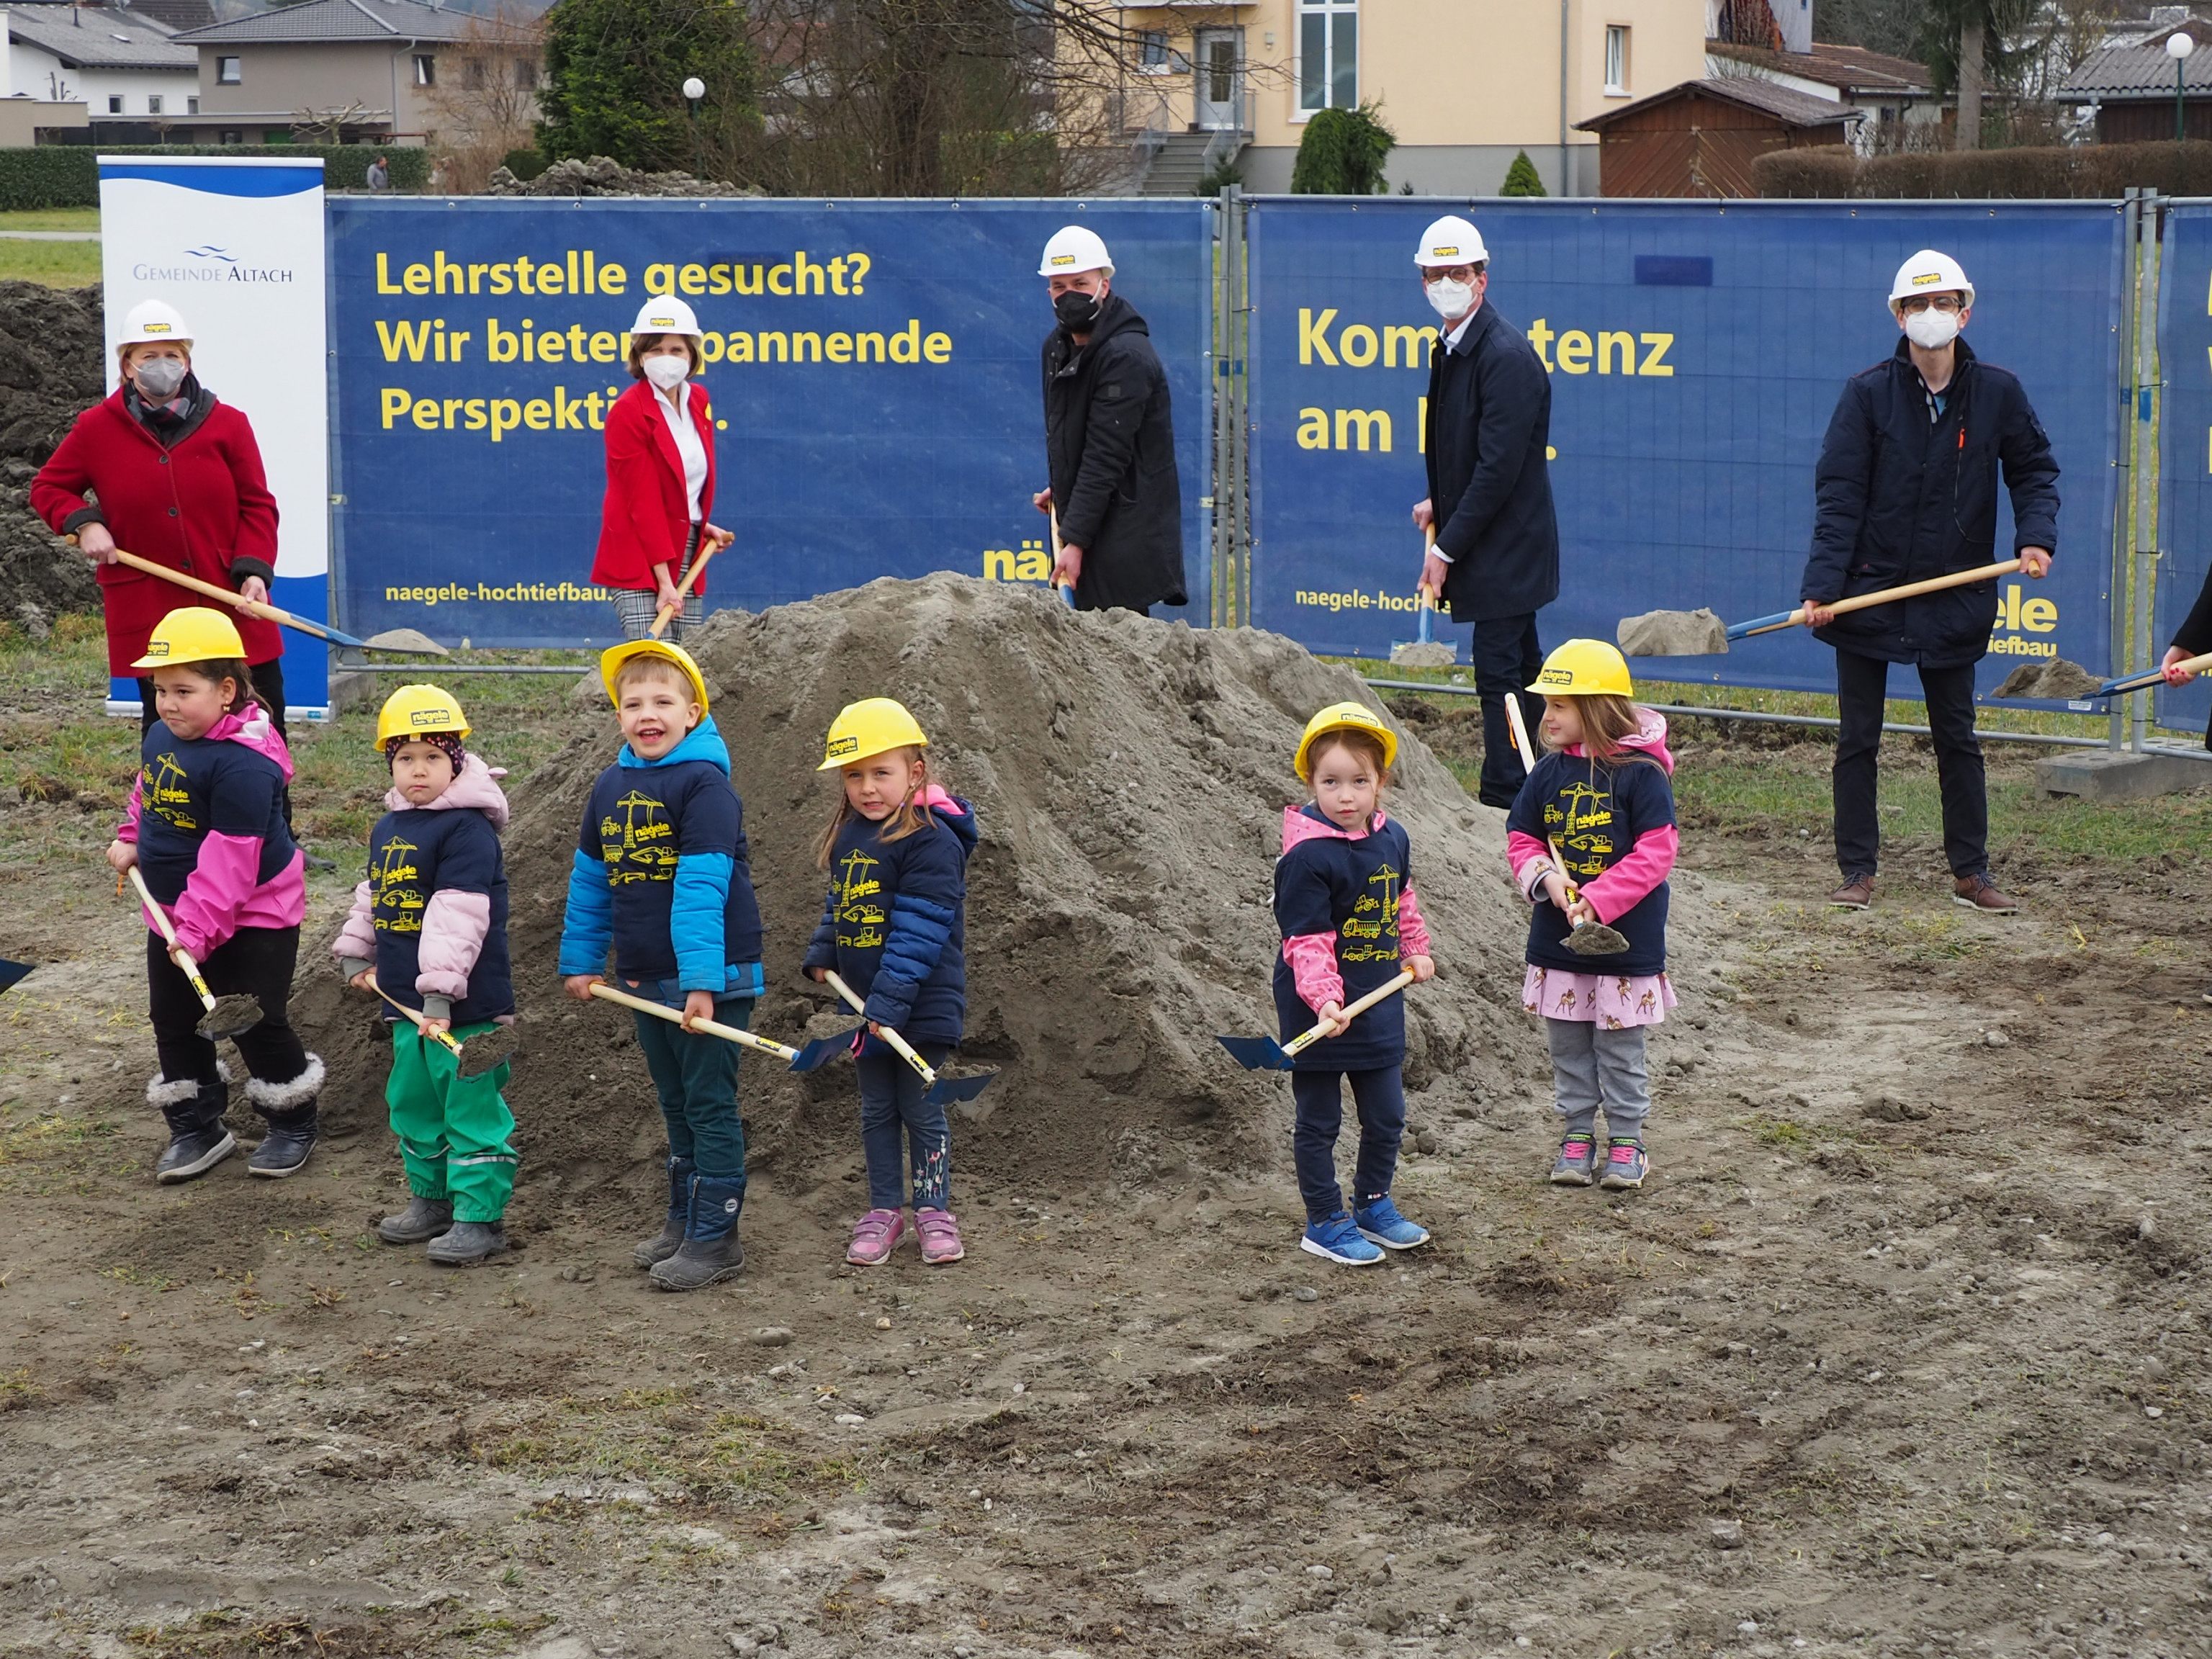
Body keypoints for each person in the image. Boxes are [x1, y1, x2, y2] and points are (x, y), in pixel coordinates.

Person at [1804, 250, 2059, 916]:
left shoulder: (1999, 392)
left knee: (1957, 735)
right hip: (1869, 593)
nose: (1931, 315)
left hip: (1957, 595)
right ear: (1898, 315)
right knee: (1858, 737)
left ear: (1964, 312)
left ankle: (1971, 873)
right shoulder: (1866, 394)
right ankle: (1857, 871)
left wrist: (2036, 537)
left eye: (1943, 302)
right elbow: (1838, 496)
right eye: (1918, 305)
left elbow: (2033, 471)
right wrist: (1825, 588)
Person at [558, 640, 763, 1291]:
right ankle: (684, 1218)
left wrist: (701, 984)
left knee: (708, 1102)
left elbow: (703, 888)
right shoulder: (611, 786)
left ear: (694, 713)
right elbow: (591, 882)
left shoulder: (706, 786)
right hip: (645, 977)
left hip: (712, 975)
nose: (647, 714)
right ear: (618, 715)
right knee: (674, 1103)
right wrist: (584, 961)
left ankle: (716, 1237)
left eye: (663, 702)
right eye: (632, 703)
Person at [104, 608, 320, 1182]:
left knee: (251, 1017)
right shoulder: (162, 735)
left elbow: (231, 861)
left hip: (253, 913)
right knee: (173, 1019)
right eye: (159, 690)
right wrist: (131, 837)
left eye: (183, 690)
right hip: (174, 911)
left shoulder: (245, 764)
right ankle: (196, 1127)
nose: (168, 704)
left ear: (226, 690)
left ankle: (291, 1120)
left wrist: (196, 934)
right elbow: (151, 792)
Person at [32, 300, 287, 737]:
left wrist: (254, 572)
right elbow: (48, 488)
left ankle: (265, 808)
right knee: (171, 737)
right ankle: (173, 808)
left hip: (229, 601)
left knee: (261, 732)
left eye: (173, 355)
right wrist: (84, 522)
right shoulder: (96, 429)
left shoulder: (229, 424)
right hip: (150, 609)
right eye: (149, 356)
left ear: (187, 362)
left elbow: (257, 505)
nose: (162, 365)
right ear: (128, 367)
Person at [332, 685, 518, 1267]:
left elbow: (458, 915)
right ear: (390, 762)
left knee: (469, 1107)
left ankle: (478, 1216)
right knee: (413, 1099)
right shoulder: (391, 827)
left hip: (465, 1006)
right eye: (405, 758)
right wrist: (359, 948)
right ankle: (432, 1199)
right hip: (408, 1004)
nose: (418, 770)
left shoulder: (467, 831)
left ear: (456, 760)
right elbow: (376, 895)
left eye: (433, 757)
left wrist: (439, 993)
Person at [804, 698, 977, 1267]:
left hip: (919, 1004)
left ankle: (933, 1210)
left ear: (916, 772)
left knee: (920, 1106)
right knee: (876, 1109)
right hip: (866, 1004)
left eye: (883, 773)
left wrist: (890, 1003)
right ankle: (883, 1210)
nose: (868, 788)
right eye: (855, 775)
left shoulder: (932, 841)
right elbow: (845, 904)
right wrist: (823, 952)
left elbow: (920, 931)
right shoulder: (853, 835)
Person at [1505, 642, 1678, 1192]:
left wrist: (1600, 898)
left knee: (1620, 1047)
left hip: (1626, 941)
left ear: (1599, 707)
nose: (1547, 717)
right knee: (1569, 1045)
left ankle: (1628, 1140)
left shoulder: (1642, 775)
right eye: (1546, 704)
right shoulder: (1548, 773)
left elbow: (1657, 852)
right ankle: (1577, 1134)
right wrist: (1546, 878)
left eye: (1560, 705)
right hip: (1560, 939)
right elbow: (1522, 836)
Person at [1272, 702, 1437, 1267]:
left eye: (1359, 782)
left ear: (1380, 782)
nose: (1346, 796)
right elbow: (1307, 940)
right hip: (1316, 1008)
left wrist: (1414, 951)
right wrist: (1323, 1001)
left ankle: (1373, 1203)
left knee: (1387, 1113)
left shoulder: (1393, 839)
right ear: (1311, 783)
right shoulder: (1306, 858)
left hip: (1378, 997)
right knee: (1319, 1120)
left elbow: (1402, 899)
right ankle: (1324, 1220)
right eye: (1331, 782)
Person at [1411, 215, 1560, 810]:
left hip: (1510, 545)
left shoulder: (1504, 356)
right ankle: (1538, 784)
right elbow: (1470, 450)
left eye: (1458, 272)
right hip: (1497, 540)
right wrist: (1439, 502)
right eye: (1435, 273)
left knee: (1500, 672)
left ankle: (1506, 797)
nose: (1446, 282)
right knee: (1521, 668)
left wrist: (1446, 549)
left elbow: (1498, 469)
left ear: (1482, 278)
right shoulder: (1455, 344)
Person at [1032, 225, 1188, 616]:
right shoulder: (1056, 348)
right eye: (1058, 286)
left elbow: (1107, 454)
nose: (1069, 295)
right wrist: (1064, 486)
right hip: (1091, 517)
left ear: (1104, 284)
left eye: (1080, 283)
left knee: (1120, 655)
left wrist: (1076, 544)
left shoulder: (1127, 356)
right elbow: (1073, 434)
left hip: (1127, 531)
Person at [592, 297, 732, 643]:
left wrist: (699, 521)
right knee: (653, 658)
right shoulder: (628, 412)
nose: (666, 358)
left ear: (692, 355)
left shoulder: (699, 400)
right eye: (655, 350)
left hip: (686, 544)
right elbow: (642, 501)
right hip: (639, 554)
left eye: (676, 349)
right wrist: (665, 582)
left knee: (684, 663)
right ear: (640, 356)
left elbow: (683, 480)